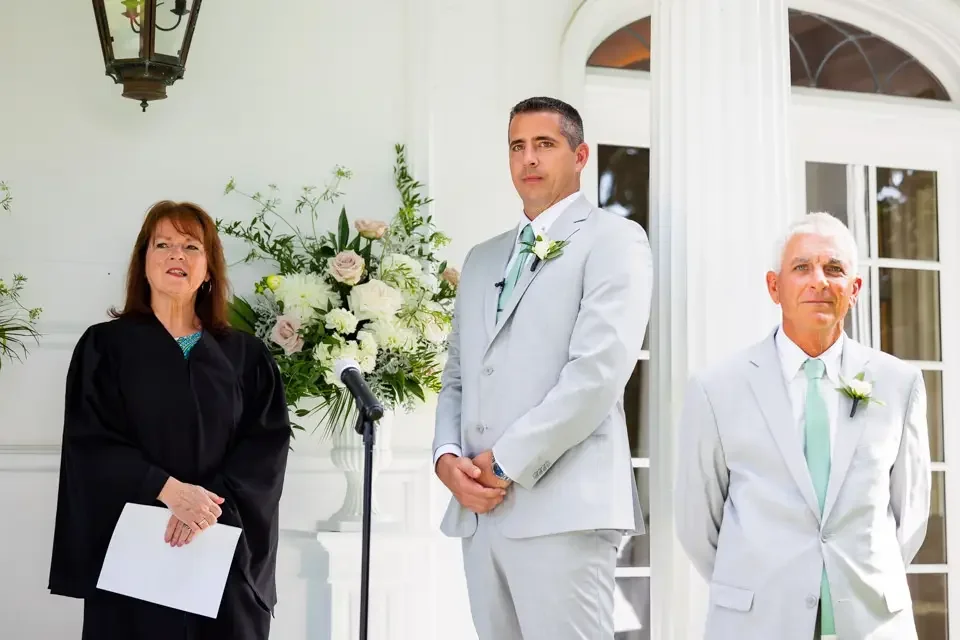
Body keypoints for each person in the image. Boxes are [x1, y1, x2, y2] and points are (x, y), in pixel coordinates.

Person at [431, 96, 654, 638]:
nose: (528, 158)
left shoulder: (615, 240)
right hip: (480, 515)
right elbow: (458, 373)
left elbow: (597, 375)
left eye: (544, 144)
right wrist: (446, 459)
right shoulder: (483, 258)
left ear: (580, 156)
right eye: (517, 146)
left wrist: (503, 463)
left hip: (565, 510)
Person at [675, 212, 931, 640]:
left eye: (834, 269)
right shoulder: (716, 389)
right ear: (774, 287)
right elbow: (696, 524)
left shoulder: (899, 384)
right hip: (757, 623)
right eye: (801, 268)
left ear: (855, 289)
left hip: (870, 622)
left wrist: (856, 581)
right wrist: (760, 585)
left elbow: (912, 514)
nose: (819, 281)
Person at [48, 200, 292, 640]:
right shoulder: (104, 347)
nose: (175, 255)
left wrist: (203, 506)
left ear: (209, 268)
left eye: (190, 246)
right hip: (133, 558)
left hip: (222, 553)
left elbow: (265, 450)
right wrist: (168, 491)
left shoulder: (246, 355)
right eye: (162, 244)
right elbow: (90, 441)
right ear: (144, 263)